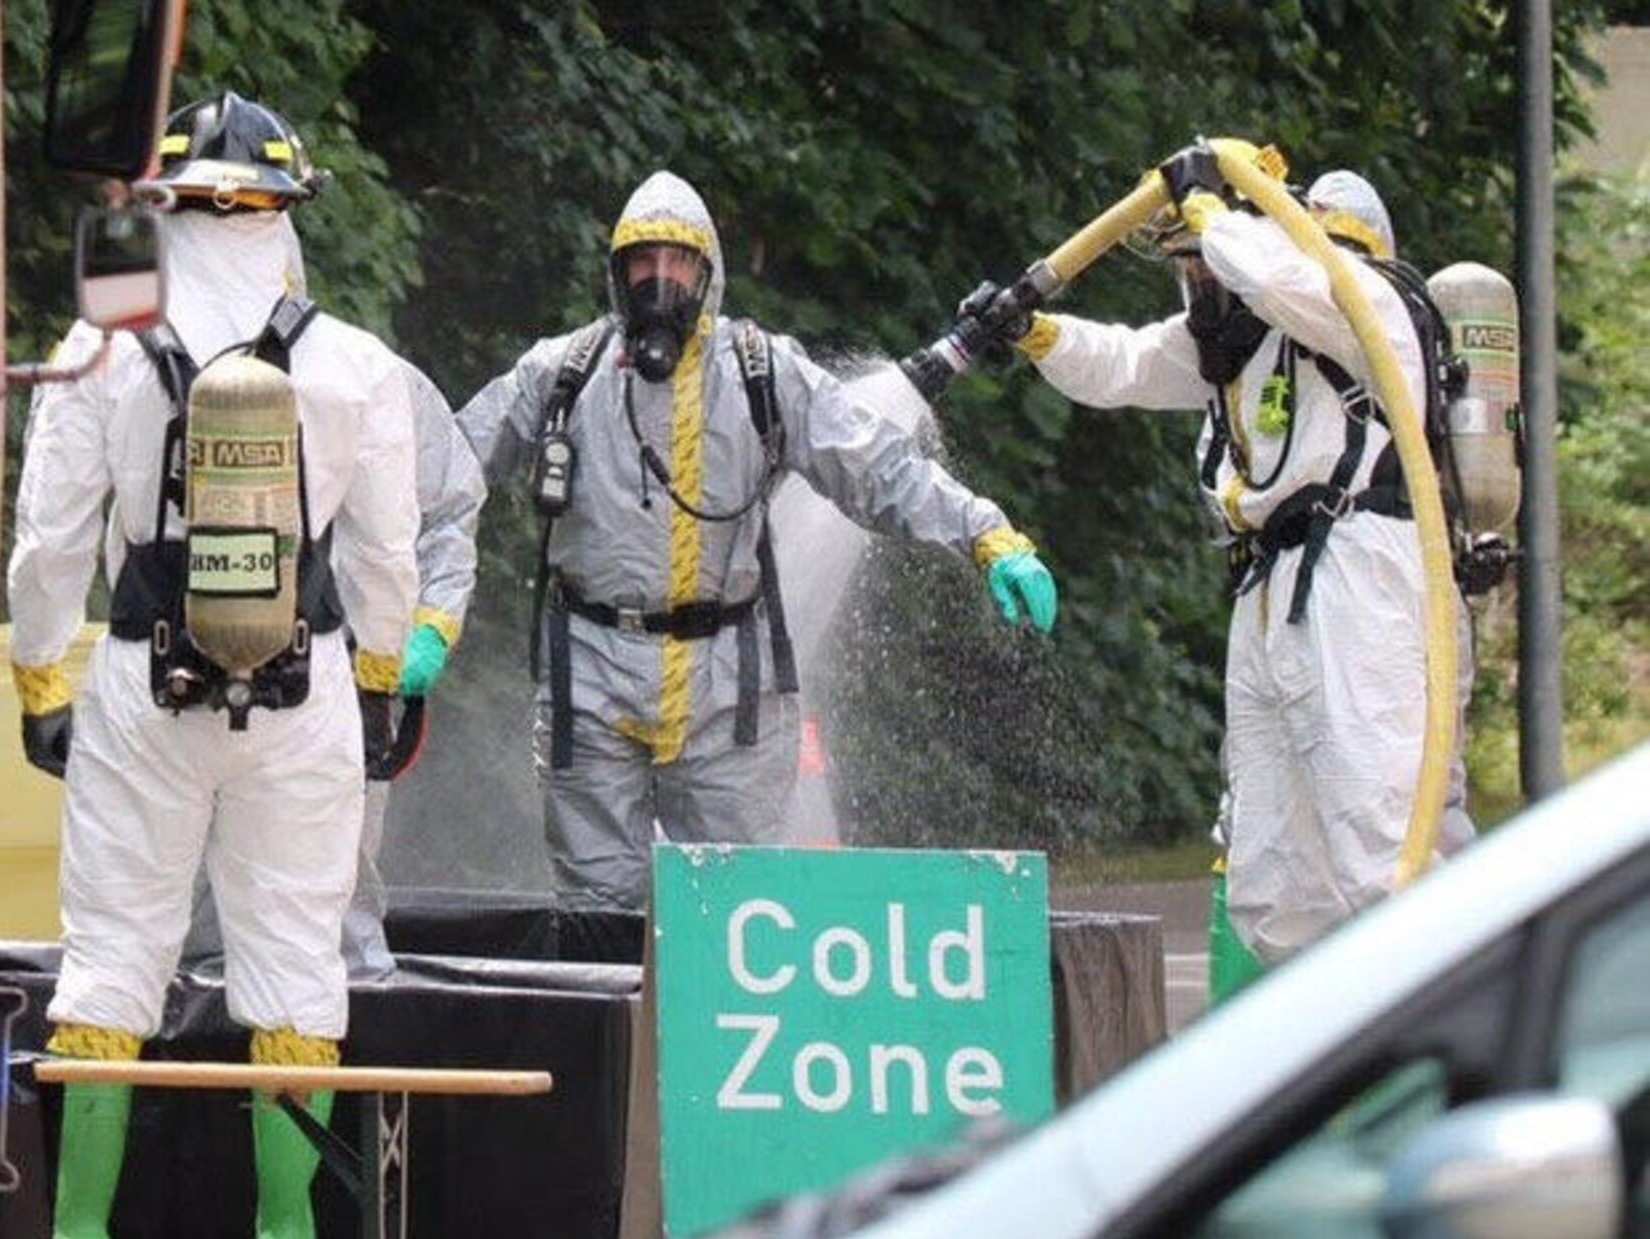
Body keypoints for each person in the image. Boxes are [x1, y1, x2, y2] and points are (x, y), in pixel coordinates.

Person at [7, 92, 419, 1239]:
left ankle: (77, 1232)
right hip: (306, 688)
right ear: (289, 214)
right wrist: (381, 682)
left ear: (165, 210)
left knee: (115, 945)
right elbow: (388, 555)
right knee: (293, 949)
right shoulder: (357, 367)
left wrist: (44, 677)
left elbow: (48, 543)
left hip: (143, 684)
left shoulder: (96, 351)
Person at [455, 169, 1058, 919]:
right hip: (591, 674)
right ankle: (619, 1041)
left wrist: (984, 532)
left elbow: (875, 465)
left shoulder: (761, 372)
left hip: (729, 687)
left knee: (741, 914)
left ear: (708, 273)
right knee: (596, 914)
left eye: (678, 263)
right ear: (616, 274)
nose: (660, 281)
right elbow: (447, 469)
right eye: (643, 263)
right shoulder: (562, 375)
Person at [964, 145, 1464, 967]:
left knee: (1380, 845)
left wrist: (1215, 206)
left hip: (1356, 576)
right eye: (1185, 268)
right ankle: (1322, 1050)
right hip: (1270, 585)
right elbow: (1122, 364)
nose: (1199, 285)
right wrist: (1033, 330)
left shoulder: (1360, 304)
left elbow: (1276, 279)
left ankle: (1440, 1033)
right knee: (1271, 878)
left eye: (1205, 264)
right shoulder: (1248, 344)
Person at [182, 358, 484, 980]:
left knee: (335, 888)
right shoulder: (183, 368)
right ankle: (205, 1054)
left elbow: (448, 512)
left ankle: (341, 1050)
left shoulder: (376, 378)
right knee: (198, 888)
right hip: (211, 669)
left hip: (349, 676)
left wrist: (429, 625)